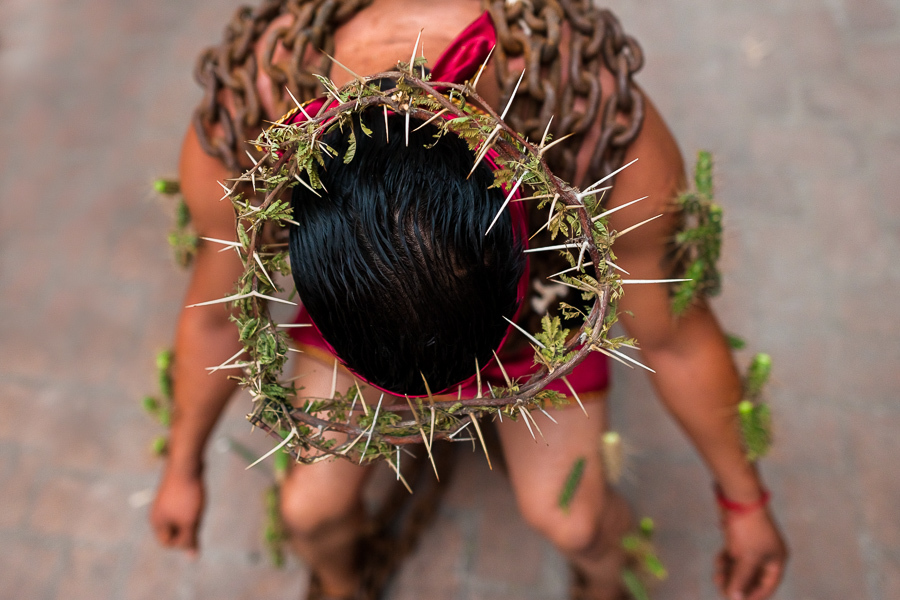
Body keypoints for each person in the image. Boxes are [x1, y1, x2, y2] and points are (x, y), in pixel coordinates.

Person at [150, 1, 788, 599]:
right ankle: (344, 583)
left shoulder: (595, 124)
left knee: (576, 522)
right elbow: (213, 318)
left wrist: (746, 503)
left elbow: (675, 337)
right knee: (309, 512)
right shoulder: (244, 127)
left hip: (541, 290)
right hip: (371, 296)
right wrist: (183, 465)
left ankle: (606, 583)